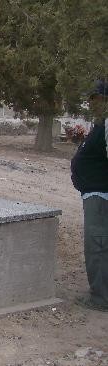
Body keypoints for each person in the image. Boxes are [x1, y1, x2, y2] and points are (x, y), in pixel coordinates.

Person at [71, 78, 108, 311]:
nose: (90, 102)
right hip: (94, 195)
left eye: (94, 98)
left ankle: (101, 299)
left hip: (101, 197)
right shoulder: (100, 124)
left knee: (98, 246)